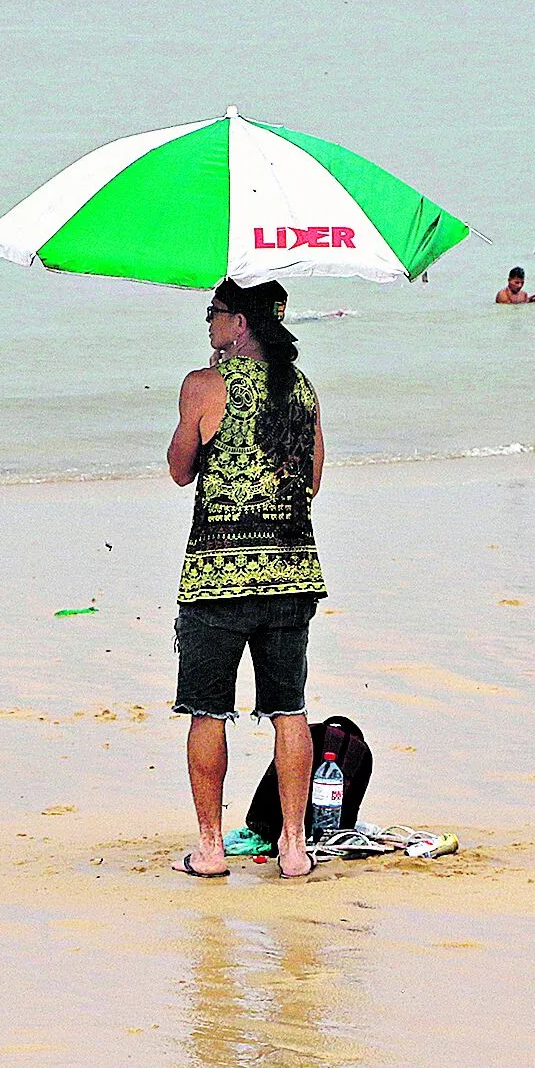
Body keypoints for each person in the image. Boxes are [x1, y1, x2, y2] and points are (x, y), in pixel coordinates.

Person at [166, 279, 326, 881]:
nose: (207, 322)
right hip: (292, 572)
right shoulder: (302, 388)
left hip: (217, 578)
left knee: (209, 712)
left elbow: (181, 470)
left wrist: (207, 388)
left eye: (215, 313)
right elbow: (311, 482)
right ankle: (292, 847)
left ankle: (210, 848)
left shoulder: (205, 386)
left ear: (239, 324)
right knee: (289, 710)